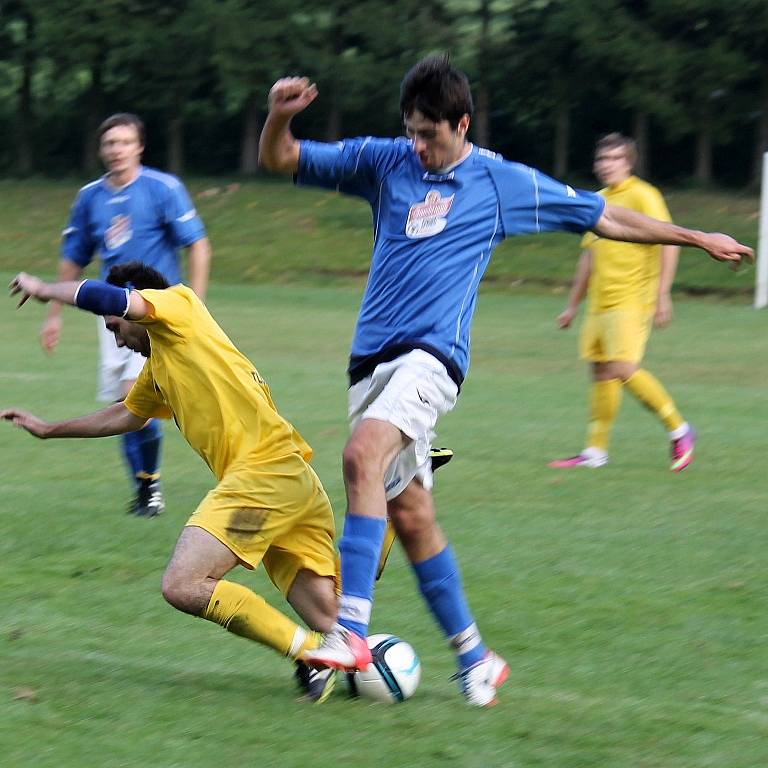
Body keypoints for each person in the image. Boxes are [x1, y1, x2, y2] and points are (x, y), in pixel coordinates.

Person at [258, 55, 751, 707]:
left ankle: (350, 631)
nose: (418, 145)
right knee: (410, 516)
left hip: (433, 359)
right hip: (369, 364)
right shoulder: (383, 160)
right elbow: (283, 158)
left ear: (461, 124)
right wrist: (278, 117)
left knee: (359, 459)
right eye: (411, 131)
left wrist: (693, 236)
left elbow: (605, 217)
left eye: (430, 134)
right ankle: (476, 656)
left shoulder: (499, 182)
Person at [4, 264, 338, 703]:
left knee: (184, 583)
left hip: (264, 476)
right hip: (287, 483)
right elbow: (128, 413)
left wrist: (48, 289)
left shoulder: (178, 308)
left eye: (115, 328)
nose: (117, 340)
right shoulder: (161, 363)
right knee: (335, 622)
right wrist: (50, 430)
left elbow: (112, 299)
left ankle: (311, 655)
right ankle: (342, 652)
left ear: (135, 304)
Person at [40, 113, 212, 517]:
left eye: (123, 142)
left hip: (156, 315)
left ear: (139, 147)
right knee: (126, 403)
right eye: (109, 143)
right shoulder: (90, 198)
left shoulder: (163, 188)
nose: (116, 150)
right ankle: (146, 488)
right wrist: (54, 315)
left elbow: (198, 245)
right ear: (101, 150)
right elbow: (73, 259)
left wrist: (195, 304)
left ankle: (152, 489)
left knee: (140, 402)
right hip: (113, 317)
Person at [550, 133, 694, 471]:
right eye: (602, 159)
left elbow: (669, 242)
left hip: (633, 299)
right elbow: (588, 256)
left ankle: (680, 429)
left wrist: (663, 294)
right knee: (601, 371)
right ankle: (595, 452)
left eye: (614, 158)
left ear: (628, 162)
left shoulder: (645, 195)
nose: (606, 165)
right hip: (601, 302)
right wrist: (572, 304)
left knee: (623, 368)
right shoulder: (597, 200)